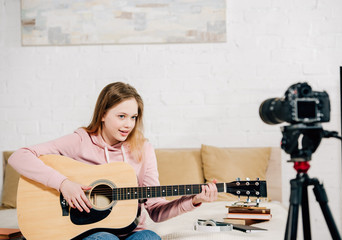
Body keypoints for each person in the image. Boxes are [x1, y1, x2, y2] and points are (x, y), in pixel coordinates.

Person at [9, 82, 218, 240]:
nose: (128, 124)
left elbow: (155, 210)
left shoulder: (143, 149)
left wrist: (194, 200)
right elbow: (20, 156)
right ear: (102, 114)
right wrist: (64, 184)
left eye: (133, 117)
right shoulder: (81, 140)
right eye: (121, 116)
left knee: (150, 238)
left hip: (131, 230)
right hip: (88, 230)